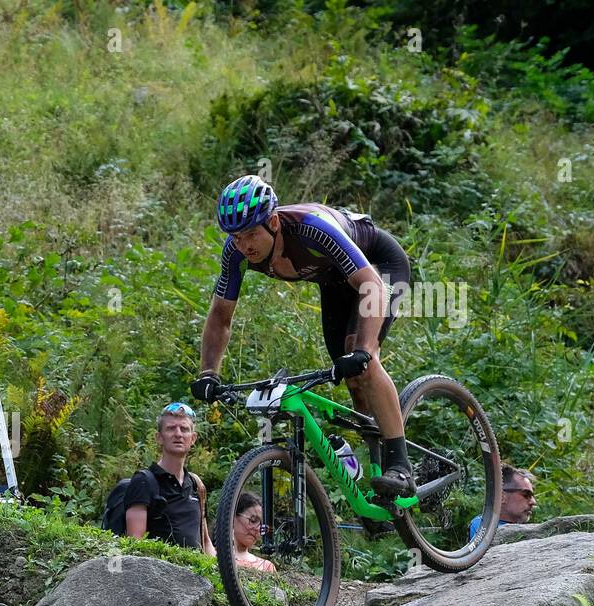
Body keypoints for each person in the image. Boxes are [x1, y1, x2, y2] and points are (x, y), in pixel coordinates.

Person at [190, 175, 415, 508]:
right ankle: (374, 473)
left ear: (274, 221)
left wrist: (365, 351)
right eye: (236, 237)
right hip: (335, 281)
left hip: (378, 269)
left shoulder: (311, 228)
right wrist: (208, 372)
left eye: (252, 234)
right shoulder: (236, 253)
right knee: (352, 382)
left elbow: (371, 284)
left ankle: (400, 465)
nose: (245, 245)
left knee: (362, 363)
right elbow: (221, 316)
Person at [124, 402, 216, 555]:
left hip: (195, 576)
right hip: (158, 574)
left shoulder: (196, 485)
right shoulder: (143, 481)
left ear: (193, 438)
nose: (178, 434)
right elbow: (135, 545)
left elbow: (206, 543)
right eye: (171, 428)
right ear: (159, 437)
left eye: (184, 429)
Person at [469, 464, 537, 540]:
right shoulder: (483, 525)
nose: (533, 502)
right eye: (526, 495)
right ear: (501, 496)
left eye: (532, 496)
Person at [231, 492, 277, 572]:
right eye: (253, 520)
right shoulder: (212, 555)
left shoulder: (267, 567)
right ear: (233, 517)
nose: (258, 529)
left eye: (262, 525)